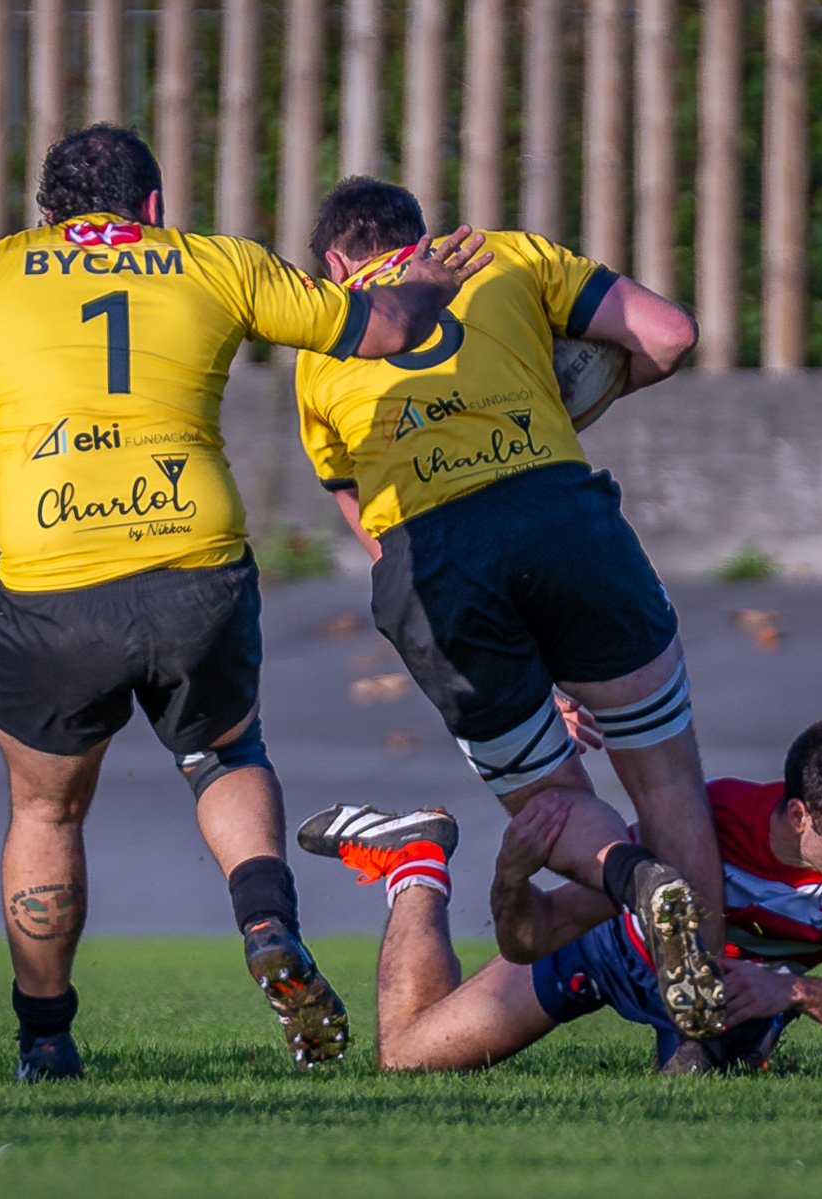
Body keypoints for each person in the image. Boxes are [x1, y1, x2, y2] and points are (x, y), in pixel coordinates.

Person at [0, 126, 489, 1081]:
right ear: (153, 208)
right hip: (195, 572)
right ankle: (267, 928)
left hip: (51, 587)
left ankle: (46, 1038)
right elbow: (384, 330)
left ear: (45, 215)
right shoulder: (216, 262)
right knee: (224, 752)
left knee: (46, 811)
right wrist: (432, 287)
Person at [290, 177, 727, 1038]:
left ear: (338, 262)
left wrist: (531, 670)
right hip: (563, 514)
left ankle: (636, 878)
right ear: (422, 233)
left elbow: (371, 529)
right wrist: (564, 403)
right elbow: (669, 337)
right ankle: (702, 1035)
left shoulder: (323, 344)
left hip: (436, 561)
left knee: (549, 802)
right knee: (669, 777)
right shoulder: (509, 255)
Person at [302, 715, 822, 1074]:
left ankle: (730, 1034)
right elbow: (535, 936)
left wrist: (789, 989)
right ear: (798, 817)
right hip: (602, 950)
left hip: (707, 990)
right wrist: (511, 880)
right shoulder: (703, 824)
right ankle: (417, 862)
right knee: (406, 1061)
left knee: (699, 1077)